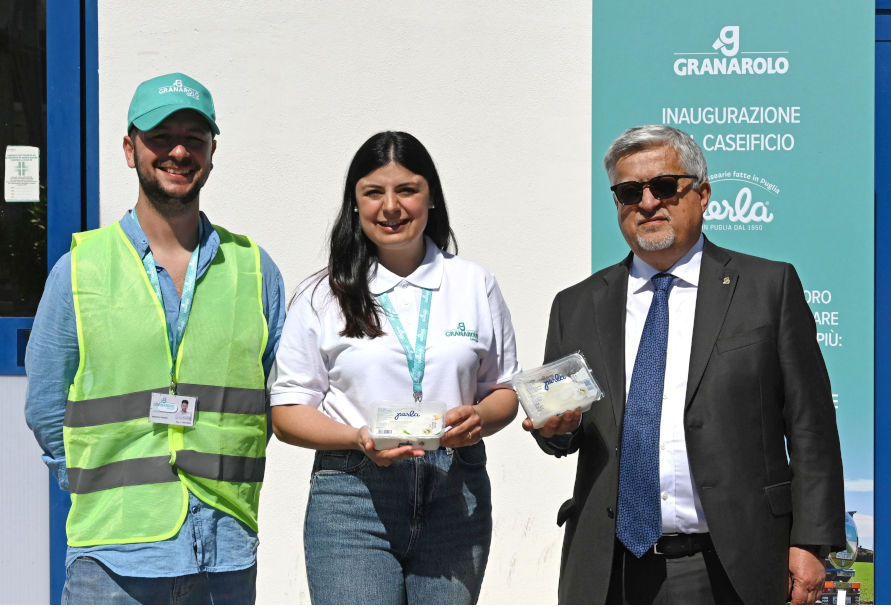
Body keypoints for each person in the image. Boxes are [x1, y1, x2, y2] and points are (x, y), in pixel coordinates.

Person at [528, 125, 845, 605]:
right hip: (608, 567)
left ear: (703, 194)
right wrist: (555, 428)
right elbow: (562, 429)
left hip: (730, 562)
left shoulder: (768, 288)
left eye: (664, 186)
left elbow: (810, 426)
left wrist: (811, 541)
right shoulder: (576, 305)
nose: (647, 203)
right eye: (629, 192)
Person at [24, 73, 286, 605]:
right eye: (160, 137)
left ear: (212, 152)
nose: (179, 151)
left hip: (224, 554)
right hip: (112, 563)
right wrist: (95, 487)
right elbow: (46, 407)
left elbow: (278, 398)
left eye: (194, 137)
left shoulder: (255, 270)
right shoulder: (79, 270)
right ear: (130, 149)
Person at [270, 131, 520, 605]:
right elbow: (286, 412)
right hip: (353, 494)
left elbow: (504, 389)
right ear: (355, 203)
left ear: (431, 198)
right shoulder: (322, 294)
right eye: (373, 192)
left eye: (407, 190)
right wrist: (357, 438)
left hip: (455, 489)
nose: (390, 207)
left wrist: (480, 417)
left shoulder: (474, 283)